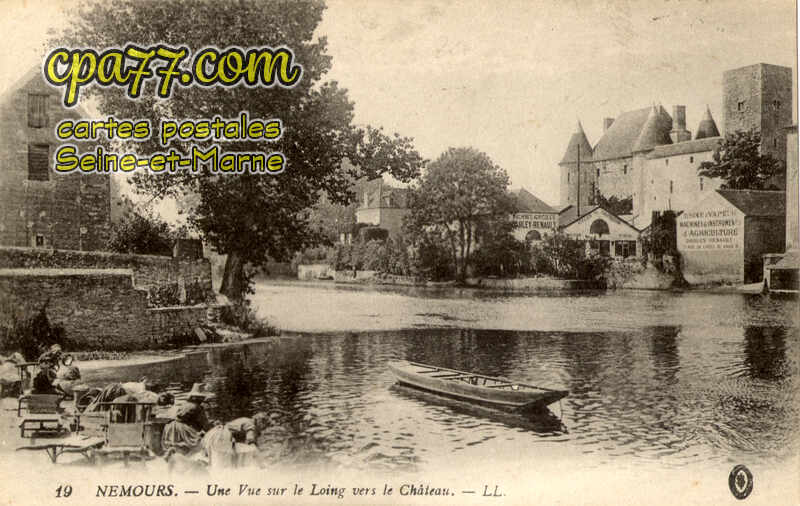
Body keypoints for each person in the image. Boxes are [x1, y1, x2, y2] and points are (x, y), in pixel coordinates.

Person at [162, 383, 214, 456]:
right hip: (183, 429)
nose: (202, 399)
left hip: (172, 426)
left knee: (178, 446)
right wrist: (211, 427)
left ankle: (174, 452)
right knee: (199, 442)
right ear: (197, 398)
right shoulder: (197, 407)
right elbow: (204, 423)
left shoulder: (185, 404)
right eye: (202, 398)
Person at [201, 412, 269, 468]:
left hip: (213, 434)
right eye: (265, 425)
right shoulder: (251, 425)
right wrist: (262, 463)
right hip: (221, 436)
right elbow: (251, 444)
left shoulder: (245, 420)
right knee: (223, 464)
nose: (263, 428)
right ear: (260, 421)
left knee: (213, 461)